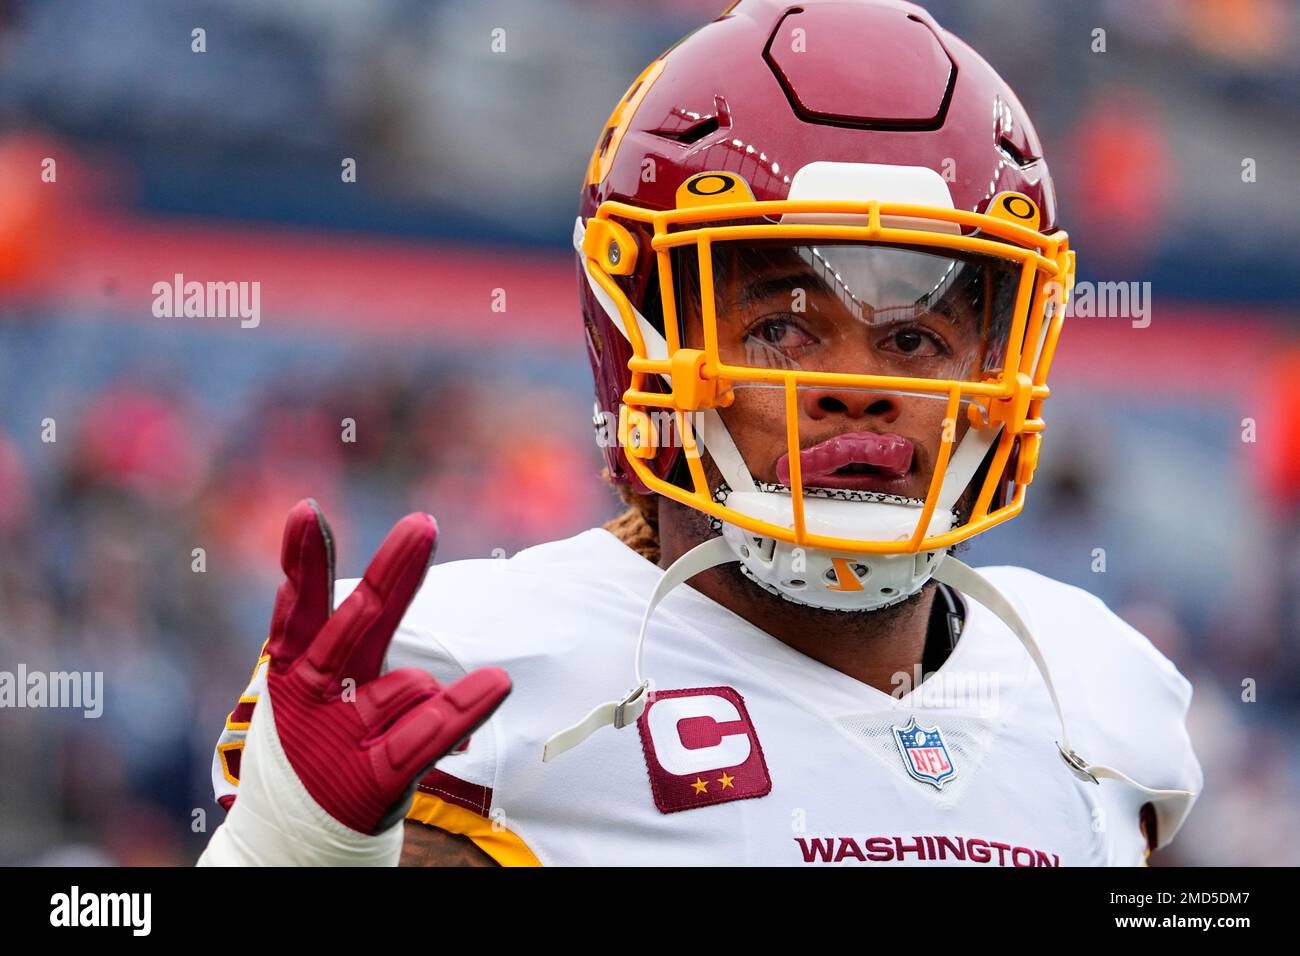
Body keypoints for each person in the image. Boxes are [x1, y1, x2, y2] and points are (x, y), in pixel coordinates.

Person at [198, 0, 1201, 867]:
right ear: (639, 340)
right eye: (782, 328)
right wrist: (290, 849)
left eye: (913, 335)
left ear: (997, 364)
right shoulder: (482, 676)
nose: (858, 388)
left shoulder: (1094, 690)